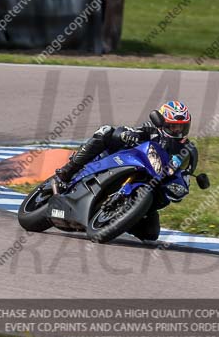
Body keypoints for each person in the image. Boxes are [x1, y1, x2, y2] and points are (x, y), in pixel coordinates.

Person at [53, 100, 198, 241]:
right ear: (163, 123)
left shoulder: (189, 149)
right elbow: (130, 131)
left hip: (157, 183)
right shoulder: (151, 130)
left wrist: (183, 180)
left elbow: (188, 170)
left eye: (182, 127)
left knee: (151, 234)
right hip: (129, 161)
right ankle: (69, 170)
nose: (178, 130)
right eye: (173, 126)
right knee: (106, 131)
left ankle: (120, 219)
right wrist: (125, 134)